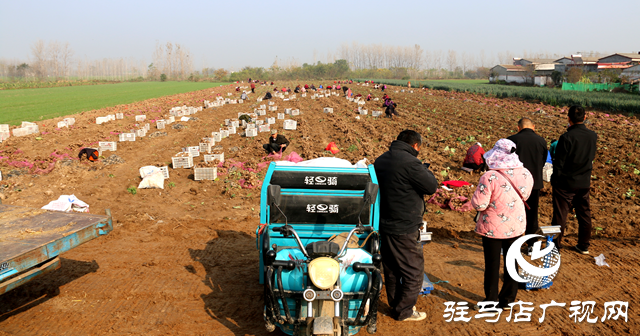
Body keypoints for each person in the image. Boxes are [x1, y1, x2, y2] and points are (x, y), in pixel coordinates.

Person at [374, 130, 438, 322]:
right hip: (404, 225)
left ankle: (396, 305)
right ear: (415, 146)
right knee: (413, 271)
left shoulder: (381, 160)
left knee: (392, 268)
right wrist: (425, 170)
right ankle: (404, 312)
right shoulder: (411, 163)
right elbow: (431, 187)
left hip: (384, 222)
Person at [471, 139, 533, 310]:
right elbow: (526, 195)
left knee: (492, 264)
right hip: (517, 225)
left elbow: (479, 205)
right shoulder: (526, 173)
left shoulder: (489, 176)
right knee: (511, 262)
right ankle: (508, 300)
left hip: (492, 227)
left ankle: (491, 300)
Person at [550, 105, 597, 254]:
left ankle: (555, 246)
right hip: (584, 181)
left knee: (560, 214)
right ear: (584, 118)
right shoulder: (592, 136)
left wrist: (554, 179)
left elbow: (560, 163)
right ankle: (584, 245)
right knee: (584, 213)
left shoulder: (566, 137)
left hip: (565, 183)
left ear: (569, 119)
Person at [507, 117, 548, 241]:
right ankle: (531, 245)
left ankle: (511, 243)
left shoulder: (511, 140)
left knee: (512, 213)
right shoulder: (541, 141)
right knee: (532, 215)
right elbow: (543, 161)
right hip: (534, 184)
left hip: (514, 184)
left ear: (518, 128)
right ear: (533, 127)